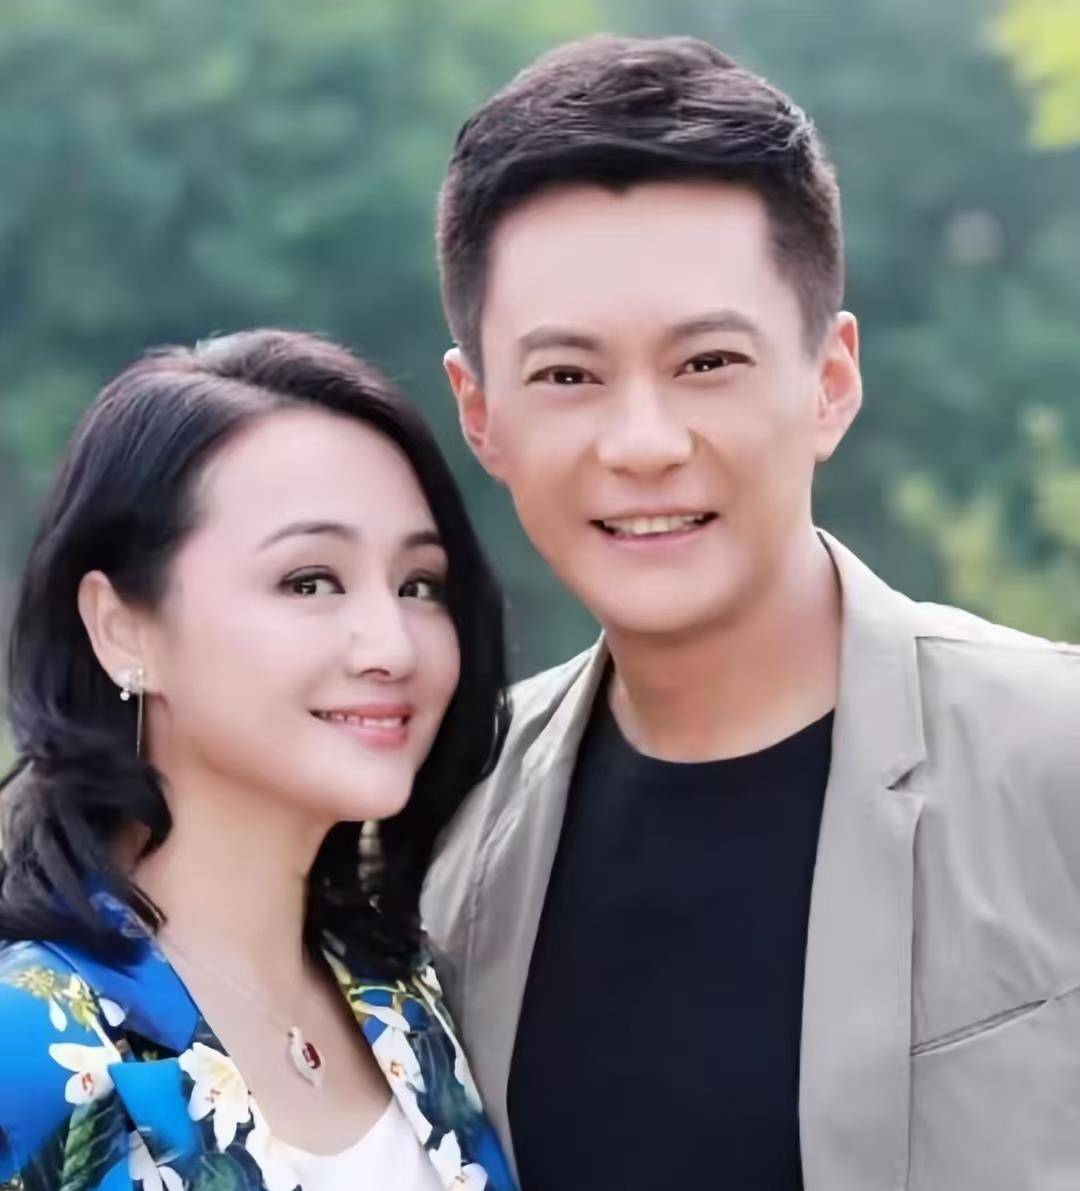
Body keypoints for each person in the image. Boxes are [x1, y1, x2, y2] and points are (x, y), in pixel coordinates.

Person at [421, 34, 1080, 1191]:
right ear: (480, 414)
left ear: (831, 380)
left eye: (708, 362)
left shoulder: (1052, 756)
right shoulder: (447, 825)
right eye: (568, 376)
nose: (642, 444)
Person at [0, 329, 516, 1191]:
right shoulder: (29, 1041)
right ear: (123, 628)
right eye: (309, 581)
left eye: (419, 584)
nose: (393, 645)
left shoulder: (417, 997)